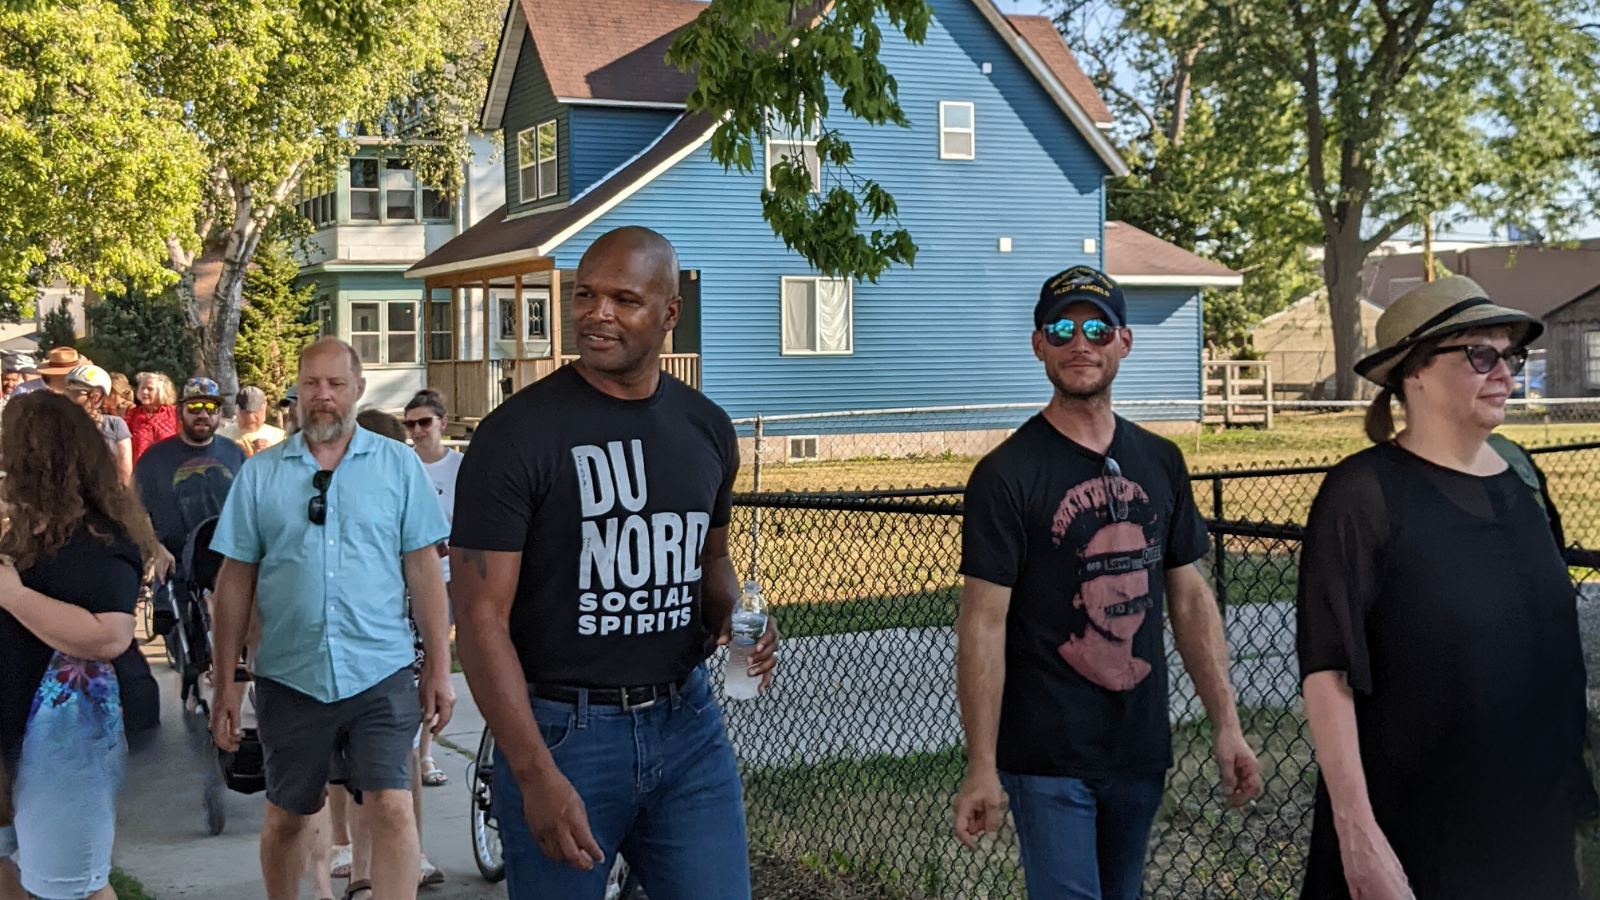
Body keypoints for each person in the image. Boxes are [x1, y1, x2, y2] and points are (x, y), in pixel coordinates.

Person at [450, 226, 778, 900]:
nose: (597, 313)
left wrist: (741, 619)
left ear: (669, 313)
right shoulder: (516, 435)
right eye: (585, 295)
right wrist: (534, 773)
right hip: (562, 734)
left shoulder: (706, 427)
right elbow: (479, 618)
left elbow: (709, 557)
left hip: (687, 724)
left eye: (624, 299)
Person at [951, 266, 1263, 900]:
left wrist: (1226, 723)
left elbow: (1190, 597)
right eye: (1061, 328)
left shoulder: (1161, 461)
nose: (1080, 343)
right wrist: (981, 766)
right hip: (1046, 756)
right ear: (1039, 344)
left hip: (1139, 749)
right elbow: (982, 622)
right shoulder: (1006, 474)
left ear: (1124, 341)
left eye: (1097, 327)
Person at [1296, 276, 1598, 900]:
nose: (1504, 373)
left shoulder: (1522, 481)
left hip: (1533, 830)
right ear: (1414, 373)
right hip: (1417, 835)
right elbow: (1328, 669)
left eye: (1507, 355)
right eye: (1478, 355)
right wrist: (1359, 835)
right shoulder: (1365, 494)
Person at [208, 337, 454, 900]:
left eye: (336, 384)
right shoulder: (261, 475)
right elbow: (234, 582)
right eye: (312, 384)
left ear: (358, 390)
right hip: (291, 674)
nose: (323, 396)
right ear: (297, 390)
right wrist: (227, 681)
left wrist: (438, 668)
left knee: (391, 806)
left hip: (381, 669)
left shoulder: (398, 466)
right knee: (289, 817)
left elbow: (423, 571)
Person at [0, 391, 161, 900]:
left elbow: (109, 634)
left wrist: (14, 597)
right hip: (12, 724)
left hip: (66, 737)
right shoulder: (21, 530)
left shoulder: (99, 538)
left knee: (70, 886)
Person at [403, 390, 459, 790]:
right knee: (417, 666)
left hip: (452, 578)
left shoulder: (461, 467)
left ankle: (425, 749)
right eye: (410, 424)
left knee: (440, 667)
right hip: (412, 580)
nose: (418, 431)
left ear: (441, 422)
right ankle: (416, 751)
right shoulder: (402, 465)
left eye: (425, 422)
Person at [134, 378, 246, 560]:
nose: (203, 414)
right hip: (173, 566)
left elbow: (249, 508)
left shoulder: (235, 453)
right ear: (180, 412)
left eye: (211, 408)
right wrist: (154, 548)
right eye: (194, 407)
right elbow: (136, 511)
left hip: (226, 564)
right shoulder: (153, 458)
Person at [65, 365, 133, 486]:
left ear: (94, 397)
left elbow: (125, 471)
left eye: (74, 391)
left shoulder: (115, 425)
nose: (67, 396)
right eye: (67, 390)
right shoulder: (60, 424)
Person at [125, 373, 180, 464]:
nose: (144, 392)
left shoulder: (174, 413)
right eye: (143, 388)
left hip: (168, 469)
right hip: (141, 471)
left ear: (161, 392)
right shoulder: (133, 414)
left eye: (150, 389)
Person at [218, 386, 286, 456]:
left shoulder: (281, 438)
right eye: (245, 412)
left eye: (256, 412)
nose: (251, 418)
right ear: (236, 409)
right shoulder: (220, 437)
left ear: (264, 407)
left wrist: (272, 455)